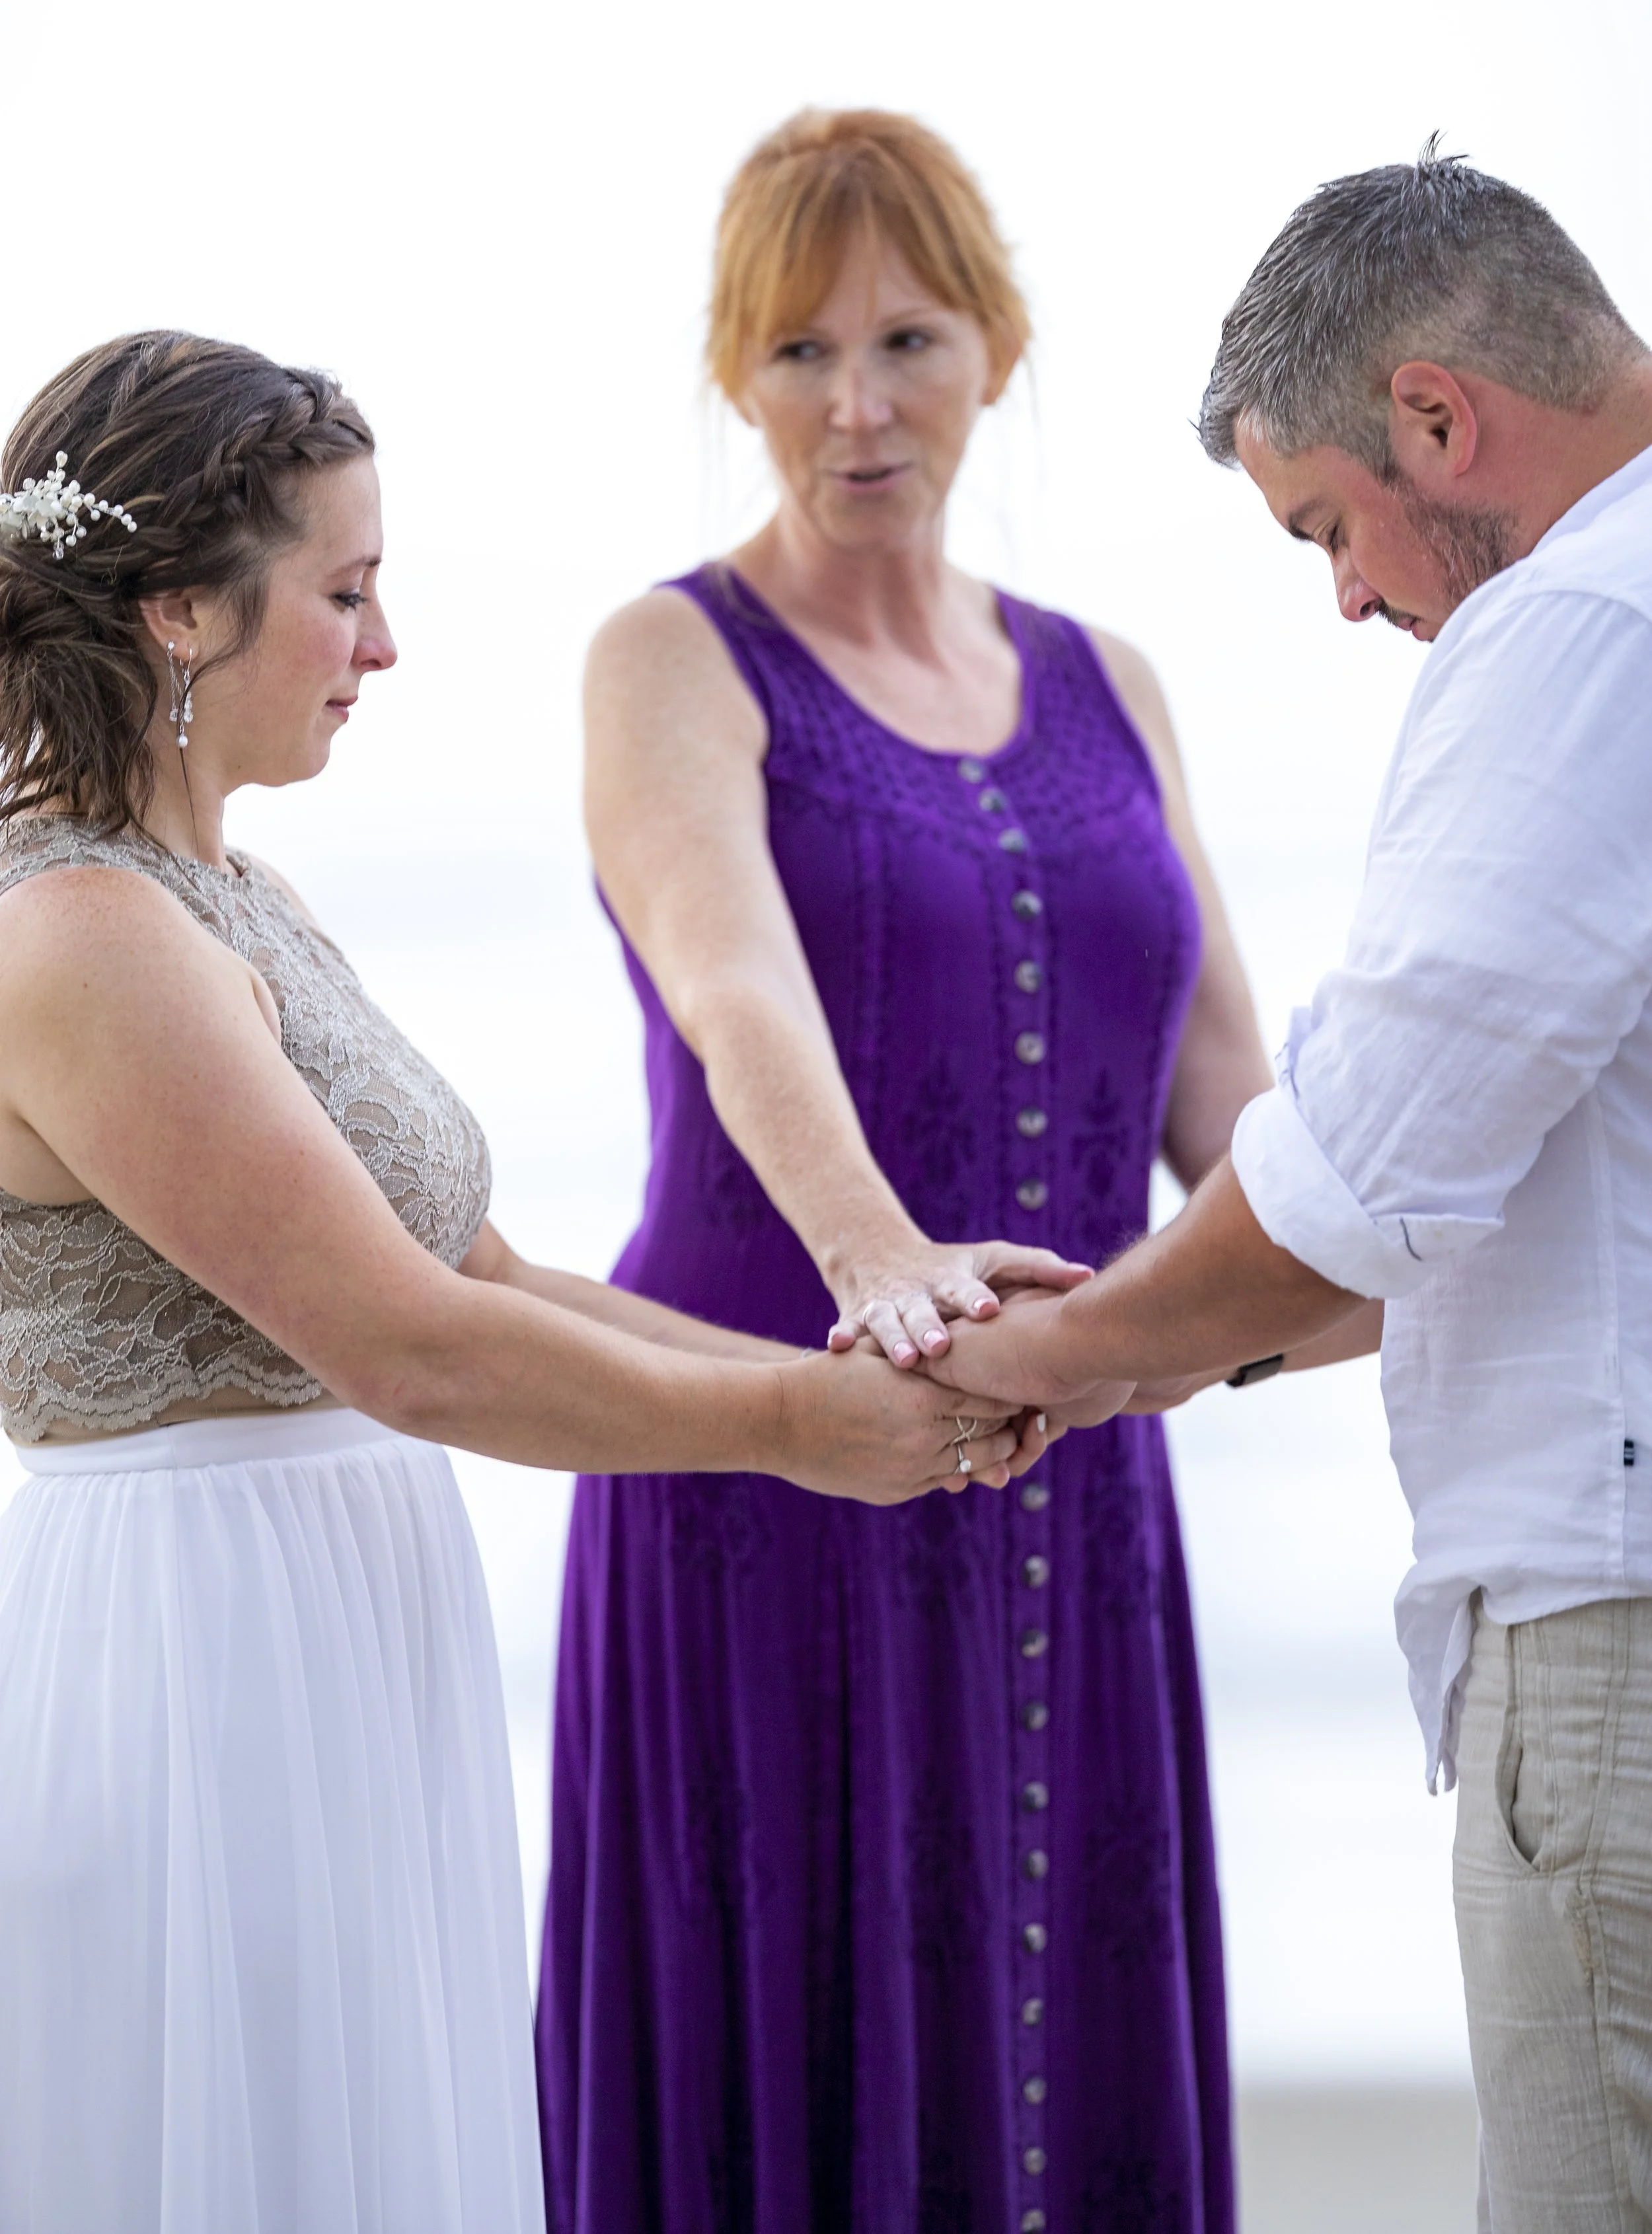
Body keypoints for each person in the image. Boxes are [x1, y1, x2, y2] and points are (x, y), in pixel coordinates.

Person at [0, 332, 1021, 2234]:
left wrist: (888, 1347)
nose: (382, 647)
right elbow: (411, 1347)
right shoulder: (72, 933)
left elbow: (492, 1272)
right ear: (178, 619)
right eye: (346, 590)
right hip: (196, 1648)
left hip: (343, 1610)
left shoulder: (248, 901)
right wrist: (810, 1432)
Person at [539, 107, 1289, 2233]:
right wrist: (891, 1280)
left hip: (1077, 1466)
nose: (853, 404)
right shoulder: (668, 654)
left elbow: (1231, 1111)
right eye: (793, 352)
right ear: (729, 375)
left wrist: (1332, 1285)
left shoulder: (1106, 681)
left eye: (905, 337)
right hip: (775, 1448)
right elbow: (731, 986)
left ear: (1000, 347)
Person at [928, 145, 1652, 2234]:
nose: (1348, 594)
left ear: (1437, 415)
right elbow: (1485, 1163)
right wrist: (1183, 1342)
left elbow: (1373, 1157)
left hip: (1611, 1623)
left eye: (1330, 523)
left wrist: (1063, 1352)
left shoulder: (1569, 629)